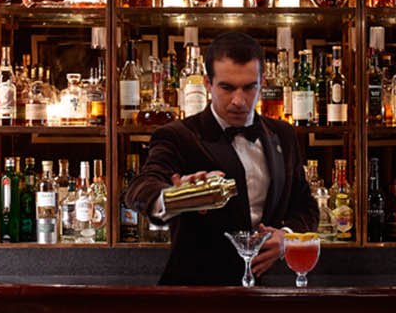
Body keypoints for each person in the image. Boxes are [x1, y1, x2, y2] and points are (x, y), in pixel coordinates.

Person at [124, 31, 319, 285]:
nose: (239, 101)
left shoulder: (283, 135)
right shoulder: (177, 136)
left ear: (263, 81)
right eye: (227, 88)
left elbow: (305, 205)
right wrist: (176, 196)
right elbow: (139, 189)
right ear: (208, 83)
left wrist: (287, 237)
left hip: (270, 292)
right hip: (198, 293)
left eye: (250, 87)